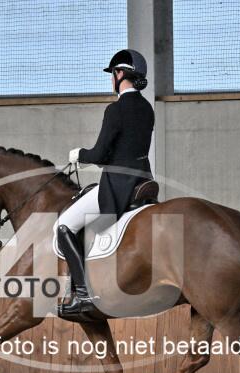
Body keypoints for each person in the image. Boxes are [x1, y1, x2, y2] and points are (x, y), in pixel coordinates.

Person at [56, 49, 155, 319]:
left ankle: (83, 294)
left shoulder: (115, 109)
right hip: (143, 181)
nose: (111, 79)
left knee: (64, 226)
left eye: (112, 74)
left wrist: (80, 155)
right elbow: (127, 149)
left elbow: (100, 154)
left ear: (119, 74)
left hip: (118, 186)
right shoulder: (147, 108)